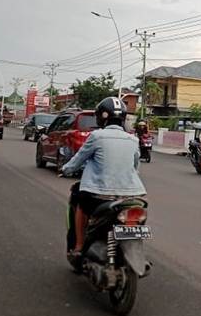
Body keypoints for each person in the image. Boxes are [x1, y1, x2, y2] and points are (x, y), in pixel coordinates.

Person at [62, 97, 147, 263]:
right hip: (132, 196)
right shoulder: (133, 139)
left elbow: (78, 159)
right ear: (122, 118)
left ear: (101, 117)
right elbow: (135, 167)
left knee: (81, 204)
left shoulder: (96, 136)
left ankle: (79, 247)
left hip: (99, 195)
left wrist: (66, 169)